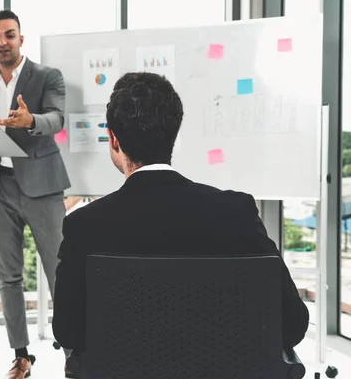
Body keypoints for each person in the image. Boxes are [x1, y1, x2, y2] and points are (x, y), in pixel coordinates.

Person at [52, 72, 309, 372]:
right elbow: (293, 323)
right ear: (173, 133)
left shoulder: (85, 225)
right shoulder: (236, 212)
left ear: (112, 139)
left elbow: (68, 331)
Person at [0, 10, 71, 379]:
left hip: (42, 186)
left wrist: (32, 121)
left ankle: (74, 351)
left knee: (61, 270)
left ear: (21, 39)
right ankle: (22, 356)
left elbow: (58, 118)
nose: (2, 42)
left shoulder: (46, 76)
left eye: (9, 35)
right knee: (8, 276)